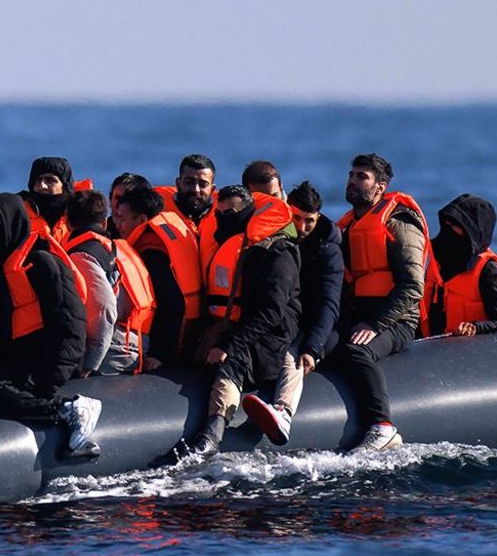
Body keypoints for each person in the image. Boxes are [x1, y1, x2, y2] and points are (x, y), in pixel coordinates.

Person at [167, 184, 303, 462]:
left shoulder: (277, 253)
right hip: (231, 325)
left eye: (232, 213)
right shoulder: (232, 244)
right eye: (220, 212)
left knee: (231, 362)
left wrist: (229, 344)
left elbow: (270, 312)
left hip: (270, 335)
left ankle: (212, 435)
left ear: (249, 212)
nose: (223, 218)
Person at [0, 192, 99, 460]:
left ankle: (68, 408)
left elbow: (71, 323)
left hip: (44, 366)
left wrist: (51, 382)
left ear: (14, 221)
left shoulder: (41, 260)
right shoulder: (2, 263)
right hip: (20, 359)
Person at [324, 154, 430, 452]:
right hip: (360, 315)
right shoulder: (349, 226)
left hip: (396, 321)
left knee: (356, 351)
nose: (352, 181)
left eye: (362, 177)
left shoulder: (400, 223)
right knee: (321, 343)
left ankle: (383, 426)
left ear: (381, 186)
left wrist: (374, 324)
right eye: (351, 174)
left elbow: (412, 286)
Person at [244, 180, 344, 444]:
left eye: (309, 221)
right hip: (284, 319)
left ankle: (283, 411)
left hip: (315, 328)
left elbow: (329, 304)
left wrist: (313, 347)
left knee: (293, 354)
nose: (302, 227)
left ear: (318, 217)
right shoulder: (276, 240)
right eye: (296, 218)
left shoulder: (328, 251)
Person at [61, 190, 155, 376]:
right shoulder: (116, 247)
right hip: (138, 339)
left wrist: (89, 365)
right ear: (104, 222)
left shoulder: (83, 255)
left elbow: (104, 309)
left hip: (120, 348)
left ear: (68, 223)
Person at [112, 185, 198, 369]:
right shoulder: (166, 234)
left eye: (122, 219)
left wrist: (160, 355)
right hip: (193, 333)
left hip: (171, 349)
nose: (117, 225)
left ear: (142, 219)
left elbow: (172, 304)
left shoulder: (152, 253)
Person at [427, 194, 497, 337]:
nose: (448, 231)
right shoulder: (429, 261)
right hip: (423, 348)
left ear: (472, 234)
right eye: (446, 225)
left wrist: (476, 328)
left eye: (455, 227)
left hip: (471, 353)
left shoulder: (488, 271)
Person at [22, 156, 74, 239]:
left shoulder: (83, 217)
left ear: (65, 186)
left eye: (50, 180)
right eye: (38, 180)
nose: (43, 186)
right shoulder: (18, 215)